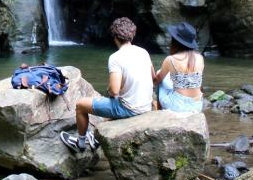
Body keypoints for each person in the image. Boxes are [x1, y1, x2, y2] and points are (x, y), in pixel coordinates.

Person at [60, 17, 154, 152]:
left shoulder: (116, 58)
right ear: (132, 35)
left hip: (130, 109)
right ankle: (95, 138)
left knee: (81, 105)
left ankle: (80, 143)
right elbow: (153, 77)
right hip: (145, 105)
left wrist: (110, 87)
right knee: (108, 103)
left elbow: (114, 91)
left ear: (115, 37)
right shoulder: (143, 52)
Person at [155, 21, 204, 113]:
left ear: (176, 41)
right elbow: (198, 83)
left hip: (177, 106)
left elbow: (157, 80)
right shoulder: (200, 58)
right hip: (197, 105)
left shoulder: (170, 59)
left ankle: (159, 111)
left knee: (160, 77)